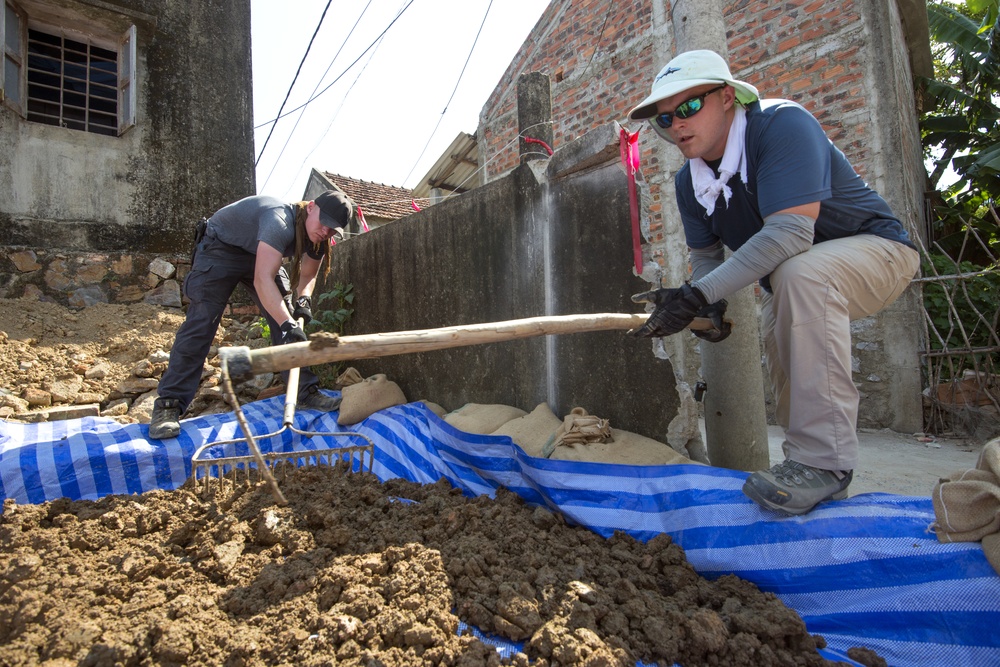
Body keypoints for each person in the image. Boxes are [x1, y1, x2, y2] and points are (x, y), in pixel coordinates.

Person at [626, 50, 920, 515]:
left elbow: (791, 232)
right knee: (780, 336)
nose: (675, 125)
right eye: (663, 118)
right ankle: (806, 467)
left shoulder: (782, 124)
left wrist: (697, 295)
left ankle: (826, 462)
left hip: (878, 252)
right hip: (795, 281)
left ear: (726, 98)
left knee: (800, 273)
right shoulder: (690, 183)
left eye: (687, 108)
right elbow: (706, 258)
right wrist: (706, 304)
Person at [148, 189, 355, 440]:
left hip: (261, 254)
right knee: (203, 322)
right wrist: (288, 324)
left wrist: (303, 300)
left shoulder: (318, 237)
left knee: (286, 317)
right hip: (221, 247)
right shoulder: (278, 221)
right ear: (311, 207)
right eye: (325, 223)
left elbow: (308, 275)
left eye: (333, 230)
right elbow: (262, 279)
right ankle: (169, 404)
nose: (326, 231)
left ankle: (304, 392)